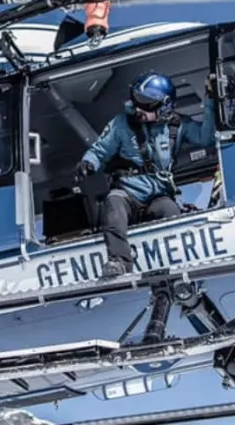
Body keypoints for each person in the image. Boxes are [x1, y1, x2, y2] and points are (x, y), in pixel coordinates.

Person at [75, 71, 217, 278]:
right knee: (113, 203)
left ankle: (179, 262)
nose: (139, 107)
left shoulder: (179, 126)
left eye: (147, 103)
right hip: (128, 192)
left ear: (165, 105)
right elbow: (100, 149)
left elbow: (206, 138)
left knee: (170, 210)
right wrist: (88, 163)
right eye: (137, 100)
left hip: (158, 195)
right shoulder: (121, 123)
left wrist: (211, 100)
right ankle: (120, 261)